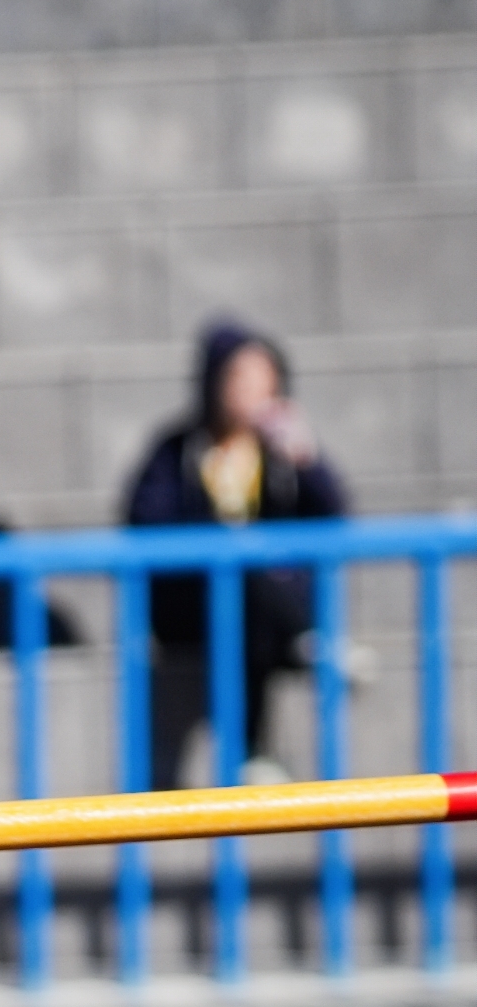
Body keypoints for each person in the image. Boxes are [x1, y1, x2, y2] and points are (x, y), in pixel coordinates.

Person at [118, 317, 348, 787]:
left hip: (264, 608)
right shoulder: (178, 450)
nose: (252, 392)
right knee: (240, 571)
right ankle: (307, 644)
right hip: (192, 603)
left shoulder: (281, 455)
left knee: (252, 589)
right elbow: (145, 519)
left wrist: (306, 459)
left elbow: (332, 511)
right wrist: (222, 539)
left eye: (264, 379)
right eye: (240, 378)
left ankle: (259, 739)